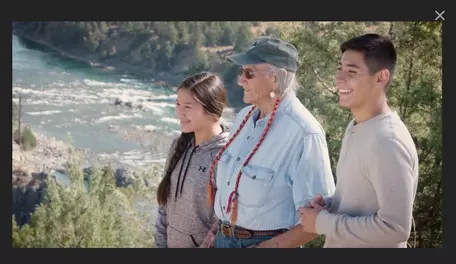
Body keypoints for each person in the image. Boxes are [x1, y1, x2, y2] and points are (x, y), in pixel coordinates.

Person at [201, 37, 336, 248]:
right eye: (241, 72)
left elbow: (319, 218)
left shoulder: (304, 132)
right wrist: (217, 230)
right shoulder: (244, 117)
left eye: (249, 73)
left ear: (276, 77)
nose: (240, 80)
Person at [299, 33, 419, 248]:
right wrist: (329, 206)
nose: (339, 78)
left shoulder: (387, 141)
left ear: (381, 78)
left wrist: (323, 222)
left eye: (352, 71)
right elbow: (363, 202)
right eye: (340, 68)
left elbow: (396, 229)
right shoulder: (357, 126)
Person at [154, 72, 230, 248]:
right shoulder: (178, 146)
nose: (179, 112)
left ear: (212, 109)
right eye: (178, 104)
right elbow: (164, 205)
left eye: (187, 106)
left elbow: (222, 223)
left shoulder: (226, 156)